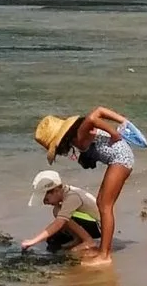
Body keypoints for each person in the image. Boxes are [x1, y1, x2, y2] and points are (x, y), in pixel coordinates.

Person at [34, 106, 137, 267]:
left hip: (121, 159)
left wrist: (114, 132)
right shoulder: (79, 135)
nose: (61, 153)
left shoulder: (80, 133)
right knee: (101, 203)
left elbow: (93, 117)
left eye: (57, 148)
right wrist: (123, 121)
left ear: (62, 140)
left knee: (105, 206)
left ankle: (105, 255)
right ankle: (103, 249)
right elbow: (99, 111)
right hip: (117, 159)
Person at [19, 168, 103, 256]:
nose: (45, 203)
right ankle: (77, 238)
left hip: (98, 226)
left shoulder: (72, 197)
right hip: (89, 221)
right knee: (57, 211)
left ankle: (88, 241)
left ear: (56, 191)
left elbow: (58, 223)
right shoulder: (66, 192)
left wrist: (33, 241)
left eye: (46, 199)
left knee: (59, 214)